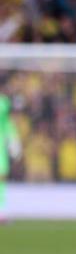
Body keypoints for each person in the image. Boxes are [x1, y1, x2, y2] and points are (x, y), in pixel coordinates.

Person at [0, 94, 22, 223]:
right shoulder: (8, 124)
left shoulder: (7, 125)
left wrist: (15, 152)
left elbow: (13, 142)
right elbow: (14, 143)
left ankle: (1, 212)